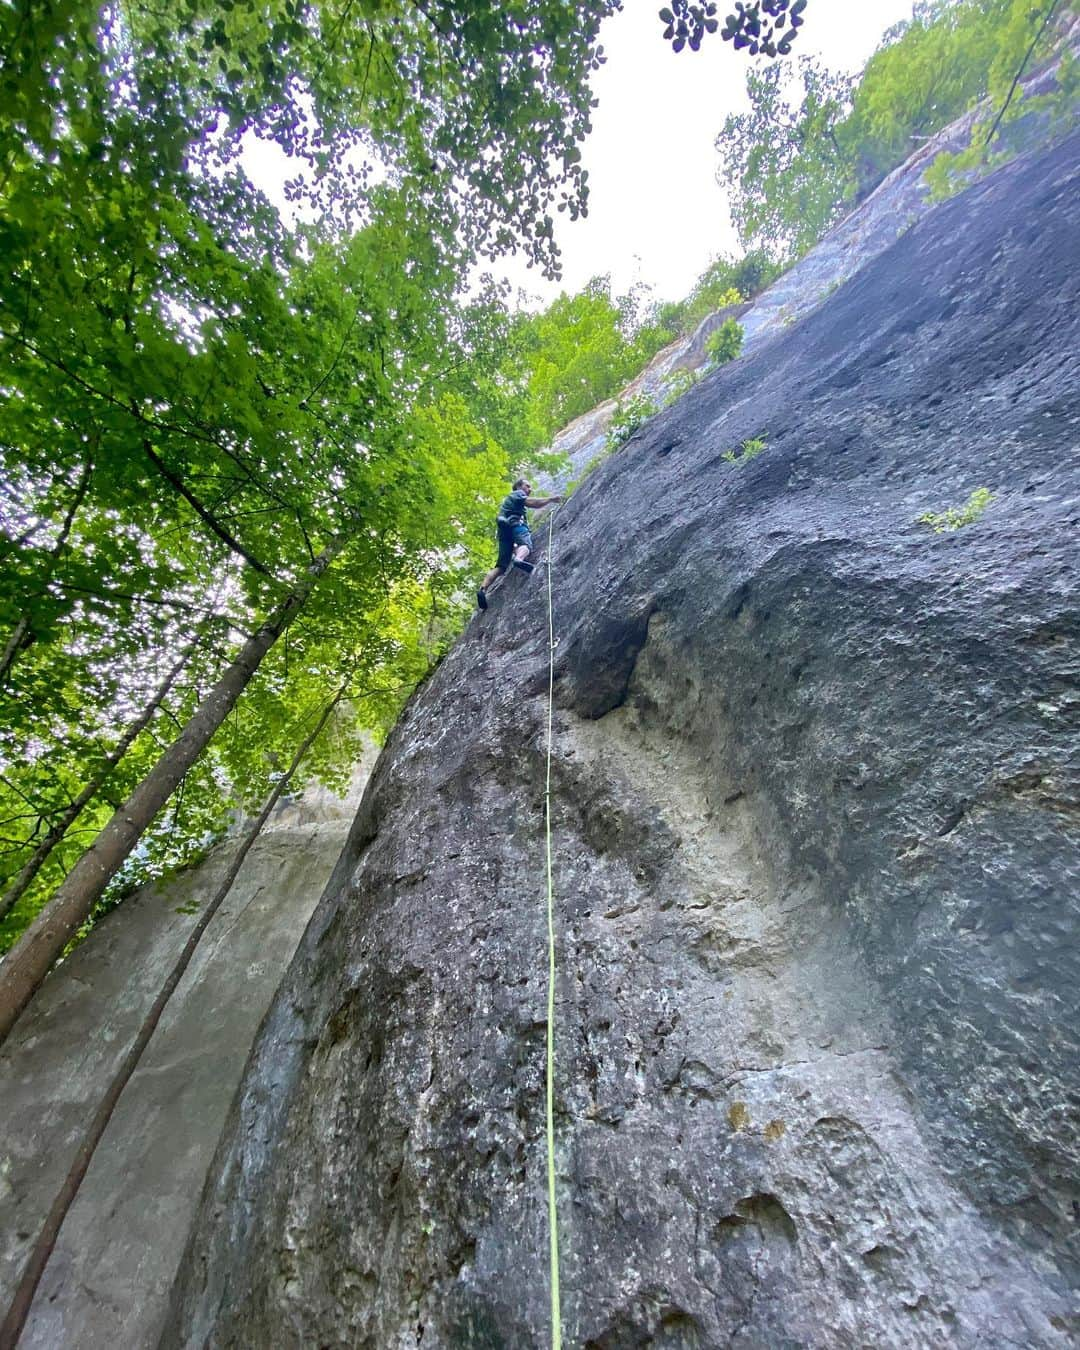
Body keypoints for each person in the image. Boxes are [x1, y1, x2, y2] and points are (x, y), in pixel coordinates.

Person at [477, 478, 563, 610]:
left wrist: (515, 549)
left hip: (503, 532)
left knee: (501, 566)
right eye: (527, 486)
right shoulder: (517, 494)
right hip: (516, 524)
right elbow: (532, 503)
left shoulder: (507, 505)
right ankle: (518, 559)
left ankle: (482, 589)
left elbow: (513, 544)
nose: (530, 489)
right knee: (526, 545)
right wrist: (551, 499)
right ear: (518, 486)